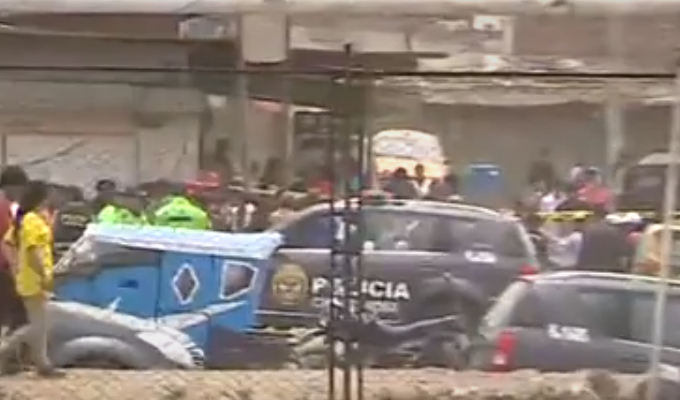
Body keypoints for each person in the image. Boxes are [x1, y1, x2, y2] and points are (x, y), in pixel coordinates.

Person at [0, 180, 61, 376]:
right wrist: (43, 275)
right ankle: (5, 350)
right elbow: (34, 251)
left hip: (27, 277)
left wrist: (16, 267)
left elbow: (8, 243)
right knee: (36, 325)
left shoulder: (24, 219)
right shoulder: (33, 221)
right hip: (35, 278)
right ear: (42, 198)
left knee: (40, 324)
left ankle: (42, 363)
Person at [0, 166, 28, 337]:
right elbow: (6, 241)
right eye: (20, 189)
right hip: (3, 269)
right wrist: (16, 269)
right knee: (15, 317)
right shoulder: (4, 207)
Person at [576, 206, 630, 272]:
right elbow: (622, 252)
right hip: (610, 267)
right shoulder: (615, 231)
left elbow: (582, 251)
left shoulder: (587, 230)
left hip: (589, 267)